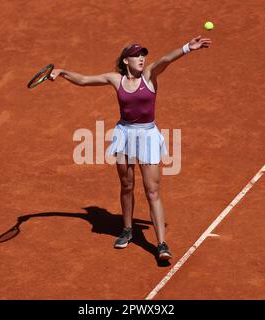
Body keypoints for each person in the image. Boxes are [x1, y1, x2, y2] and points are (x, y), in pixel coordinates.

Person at [49, 36, 212, 261]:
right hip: (124, 135)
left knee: (152, 190)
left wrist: (187, 48)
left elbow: (166, 59)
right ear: (126, 60)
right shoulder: (116, 79)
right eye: (136, 55)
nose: (141, 59)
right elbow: (85, 80)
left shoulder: (150, 75)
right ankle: (127, 229)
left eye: (143, 55)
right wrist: (63, 72)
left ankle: (162, 244)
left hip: (148, 136)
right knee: (127, 185)